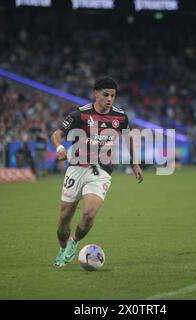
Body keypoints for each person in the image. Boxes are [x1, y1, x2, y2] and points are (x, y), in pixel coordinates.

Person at [51, 77, 143, 267]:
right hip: (76, 169)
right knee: (64, 219)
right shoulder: (80, 114)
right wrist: (60, 148)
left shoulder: (120, 117)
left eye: (113, 96)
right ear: (96, 93)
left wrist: (135, 163)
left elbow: (129, 138)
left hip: (100, 171)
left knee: (90, 212)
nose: (109, 99)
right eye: (105, 95)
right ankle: (62, 247)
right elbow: (57, 134)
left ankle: (73, 243)